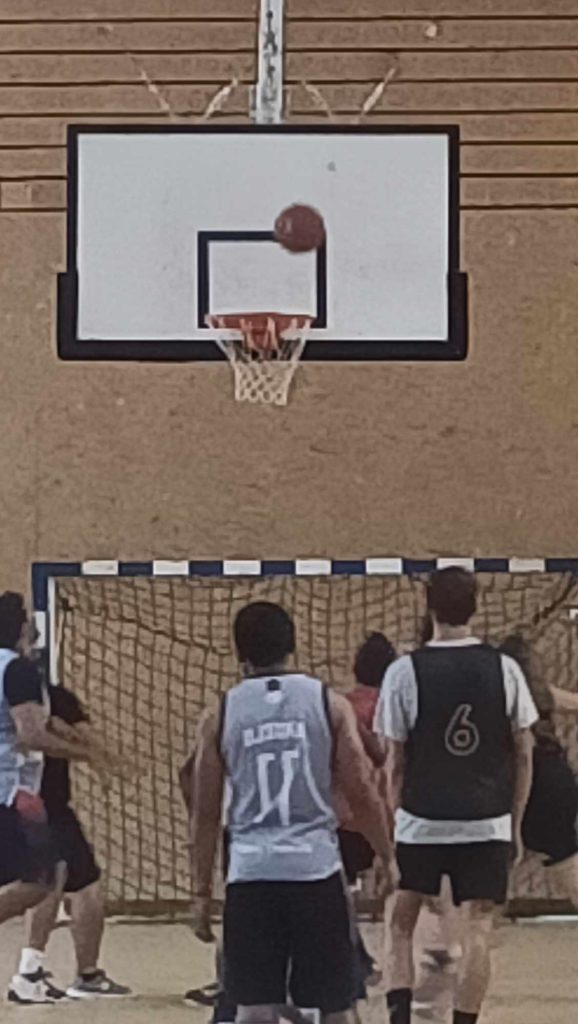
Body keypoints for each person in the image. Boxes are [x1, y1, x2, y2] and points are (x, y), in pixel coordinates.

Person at [189, 601, 397, 1024]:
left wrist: (200, 892)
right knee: (336, 1008)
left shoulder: (219, 714)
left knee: (253, 1009)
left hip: (251, 873)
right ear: (291, 647)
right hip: (314, 871)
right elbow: (362, 791)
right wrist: (388, 856)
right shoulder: (328, 703)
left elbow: (205, 813)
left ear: (239, 653)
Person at [375, 567, 537, 1024]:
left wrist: (394, 825)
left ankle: (400, 1018)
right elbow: (524, 754)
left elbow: (394, 763)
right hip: (487, 820)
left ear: (429, 608)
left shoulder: (404, 671)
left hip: (421, 819)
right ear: (475, 607)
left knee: (400, 923)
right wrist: (514, 824)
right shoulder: (504, 669)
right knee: (478, 927)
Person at [8, 679, 132, 1004]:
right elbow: (71, 734)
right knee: (55, 880)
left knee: (71, 882)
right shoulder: (40, 696)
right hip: (42, 805)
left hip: (30, 803)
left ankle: (72, 974)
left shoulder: (42, 696)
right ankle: (36, 973)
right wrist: (99, 755)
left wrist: (100, 755)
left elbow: (76, 732)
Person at [0, 592, 105, 945]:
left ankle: (34, 964)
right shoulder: (17, 670)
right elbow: (31, 734)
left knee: (51, 869)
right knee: (40, 879)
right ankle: (35, 964)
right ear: (21, 628)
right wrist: (86, 754)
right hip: (10, 793)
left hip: (17, 795)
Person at [337, 633, 397, 998]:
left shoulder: (342, 706)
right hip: (390, 813)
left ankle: (357, 959)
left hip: (347, 815)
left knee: (342, 890)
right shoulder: (396, 705)